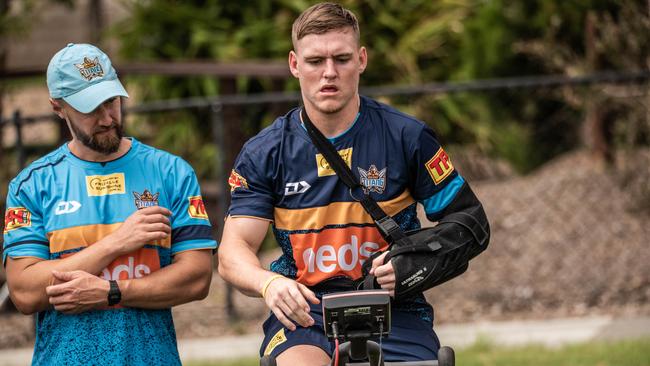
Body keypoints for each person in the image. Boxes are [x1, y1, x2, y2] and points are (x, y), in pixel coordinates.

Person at [218, 2, 489, 364]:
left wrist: (413, 263)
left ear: (361, 60)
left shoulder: (408, 137)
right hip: (306, 312)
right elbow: (232, 252)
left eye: (341, 59)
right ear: (295, 65)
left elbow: (470, 223)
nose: (329, 73)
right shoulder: (264, 152)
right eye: (315, 61)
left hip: (394, 310)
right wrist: (269, 284)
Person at [2, 43, 216, 366]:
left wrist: (112, 292)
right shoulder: (32, 186)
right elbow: (24, 292)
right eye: (90, 108)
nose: (106, 118)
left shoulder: (171, 173)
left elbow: (198, 278)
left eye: (112, 101)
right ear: (58, 107)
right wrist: (117, 242)